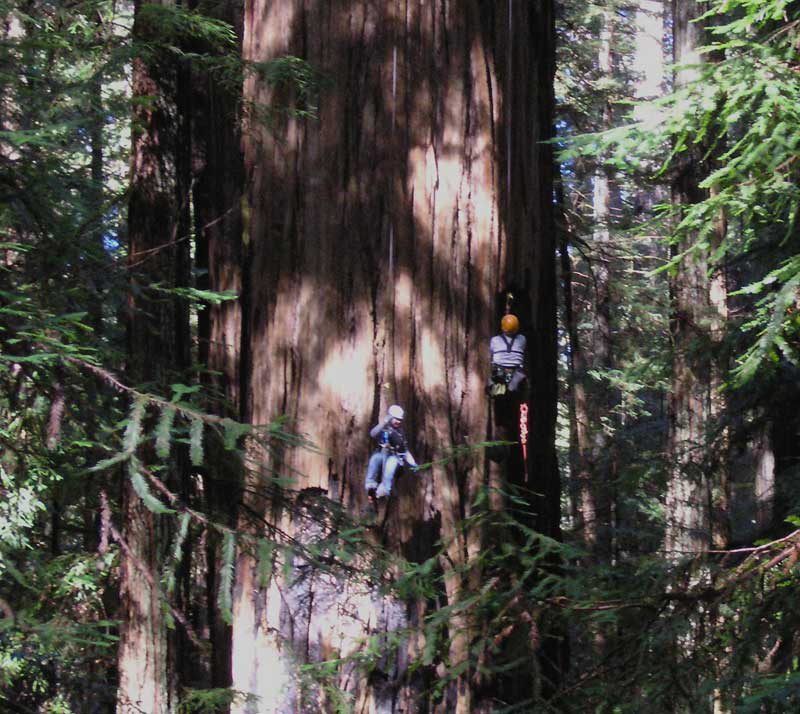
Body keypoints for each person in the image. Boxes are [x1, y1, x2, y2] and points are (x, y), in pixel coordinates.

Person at [364, 404, 417, 501]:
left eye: (400, 420)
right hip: (383, 454)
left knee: (390, 465)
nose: (398, 421)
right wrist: (384, 423)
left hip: (395, 459)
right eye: (396, 419)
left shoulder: (399, 433)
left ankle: (384, 489)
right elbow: (373, 434)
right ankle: (370, 484)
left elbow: (405, 451)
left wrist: (413, 463)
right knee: (375, 459)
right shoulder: (384, 428)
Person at [488, 314, 526, 396]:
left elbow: (491, 353)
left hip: (499, 372)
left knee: (492, 388)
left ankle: (498, 392)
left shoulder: (494, 340)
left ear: (502, 327)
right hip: (516, 373)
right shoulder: (522, 339)